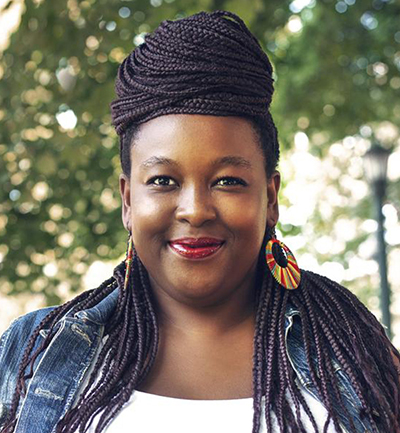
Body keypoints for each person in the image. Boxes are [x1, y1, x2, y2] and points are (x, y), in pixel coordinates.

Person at [0, 10, 399, 433]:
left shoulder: (357, 354)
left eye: (228, 181)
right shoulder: (33, 352)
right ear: (128, 200)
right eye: (163, 180)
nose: (195, 210)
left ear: (270, 197)